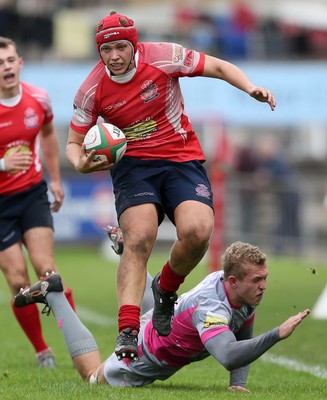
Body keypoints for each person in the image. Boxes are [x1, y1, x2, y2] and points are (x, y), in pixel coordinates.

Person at [65, 10, 276, 361]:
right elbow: (73, 144)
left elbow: (220, 67)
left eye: (120, 47)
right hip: (133, 168)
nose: (114, 56)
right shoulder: (91, 89)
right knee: (139, 237)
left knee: (198, 231)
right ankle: (128, 331)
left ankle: (164, 291)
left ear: (134, 45)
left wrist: (250, 86)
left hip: (180, 158)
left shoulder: (164, 56)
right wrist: (81, 163)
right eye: (106, 50)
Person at [14, 241, 309, 391]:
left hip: (164, 317)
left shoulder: (239, 288)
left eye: (264, 278)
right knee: (92, 375)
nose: (263, 286)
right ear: (232, 281)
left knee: (166, 304)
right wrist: (276, 334)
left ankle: (127, 254)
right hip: (144, 354)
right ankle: (54, 293)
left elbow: (243, 329)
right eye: (257, 279)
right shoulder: (212, 308)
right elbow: (229, 354)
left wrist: (238, 383)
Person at [0, 36, 76, 367]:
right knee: (18, 280)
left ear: (20, 63)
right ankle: (42, 350)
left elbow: (47, 135)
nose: (6, 67)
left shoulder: (38, 100)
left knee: (48, 272)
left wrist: (55, 180)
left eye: (9, 60)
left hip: (32, 194)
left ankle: (77, 339)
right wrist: (3, 164)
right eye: (0, 64)